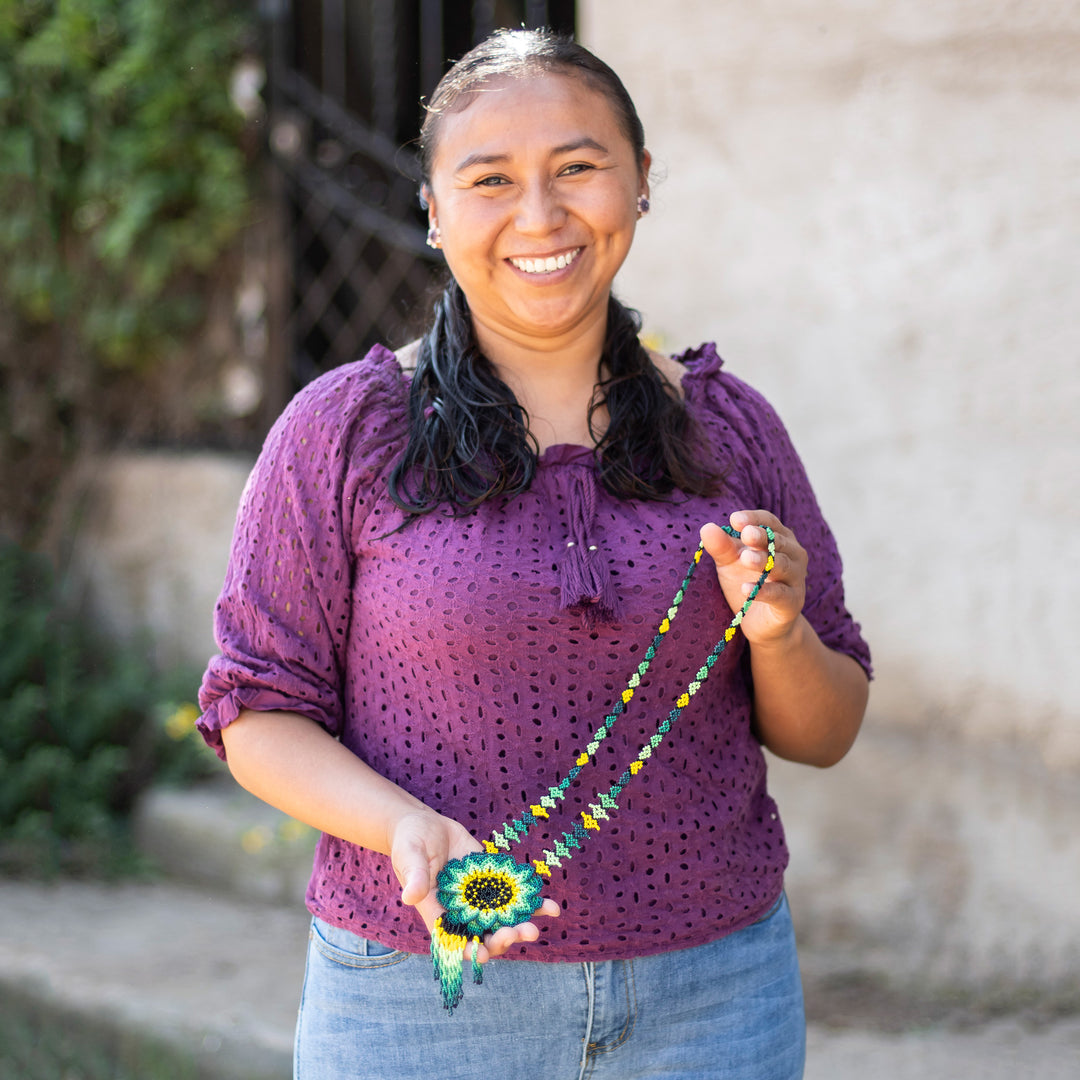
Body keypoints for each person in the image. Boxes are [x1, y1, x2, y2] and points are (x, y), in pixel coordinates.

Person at [198, 28, 871, 1080]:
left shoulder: (731, 431)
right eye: (490, 180)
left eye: (579, 168)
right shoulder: (345, 431)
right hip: (422, 996)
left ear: (642, 182)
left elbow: (826, 731)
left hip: (714, 998)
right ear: (432, 208)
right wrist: (402, 826)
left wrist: (779, 632)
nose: (540, 215)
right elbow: (254, 707)